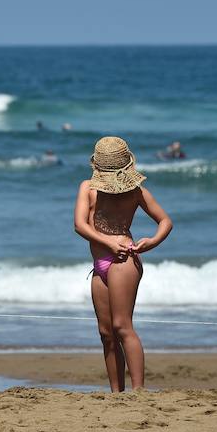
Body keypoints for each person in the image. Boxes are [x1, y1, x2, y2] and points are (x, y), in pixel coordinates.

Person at [74, 136, 172, 392]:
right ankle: (116, 393)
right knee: (106, 332)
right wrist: (107, 242)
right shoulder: (87, 187)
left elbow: (165, 221)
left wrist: (152, 242)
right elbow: (80, 225)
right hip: (100, 263)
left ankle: (138, 391)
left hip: (125, 260)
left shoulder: (136, 191)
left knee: (122, 326)